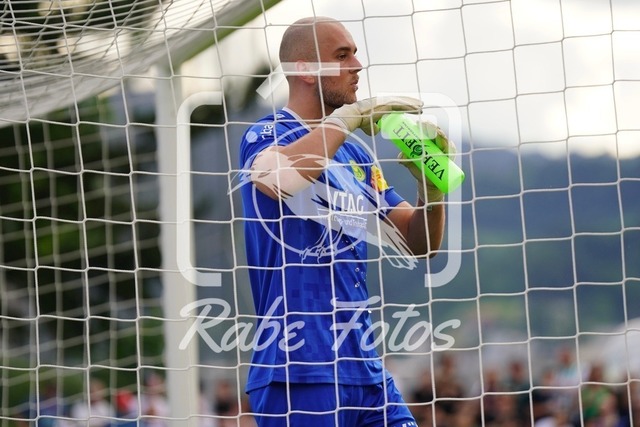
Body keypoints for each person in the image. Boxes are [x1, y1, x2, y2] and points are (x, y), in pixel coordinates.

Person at [238, 16, 454, 427]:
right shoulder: (264, 134)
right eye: (342, 55)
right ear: (304, 69)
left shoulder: (356, 156)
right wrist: (348, 118)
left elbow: (420, 244)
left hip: (366, 370)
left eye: (355, 53)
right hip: (298, 370)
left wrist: (431, 190)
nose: (357, 65)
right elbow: (281, 180)